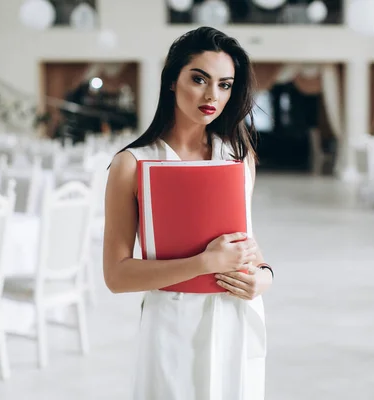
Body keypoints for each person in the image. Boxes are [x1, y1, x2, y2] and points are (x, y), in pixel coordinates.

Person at [103, 26, 273, 399]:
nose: (213, 95)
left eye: (225, 84)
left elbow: (249, 246)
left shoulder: (238, 159)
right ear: (171, 80)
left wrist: (264, 278)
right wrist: (205, 262)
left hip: (236, 317)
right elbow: (116, 276)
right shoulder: (132, 164)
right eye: (199, 79)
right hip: (172, 324)